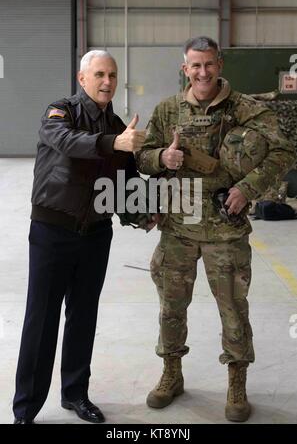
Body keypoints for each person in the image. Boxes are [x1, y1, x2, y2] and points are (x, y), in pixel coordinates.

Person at [136, 36, 296, 422]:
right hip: (178, 227)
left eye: (209, 64)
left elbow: (285, 151)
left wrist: (247, 188)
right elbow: (143, 157)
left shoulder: (248, 109)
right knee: (171, 308)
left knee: (233, 310)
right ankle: (171, 374)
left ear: (220, 64)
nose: (202, 72)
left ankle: (237, 382)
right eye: (195, 65)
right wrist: (163, 156)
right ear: (184, 68)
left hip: (226, 229)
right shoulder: (167, 110)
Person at [13, 50, 153, 424]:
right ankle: (26, 408)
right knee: (40, 320)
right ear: (82, 79)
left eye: (112, 75)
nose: (107, 81)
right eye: (100, 74)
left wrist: (141, 213)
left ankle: (75, 394)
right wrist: (114, 144)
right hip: (51, 232)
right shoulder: (60, 112)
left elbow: (123, 183)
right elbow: (68, 143)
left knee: (83, 316)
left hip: (94, 235)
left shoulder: (118, 124)